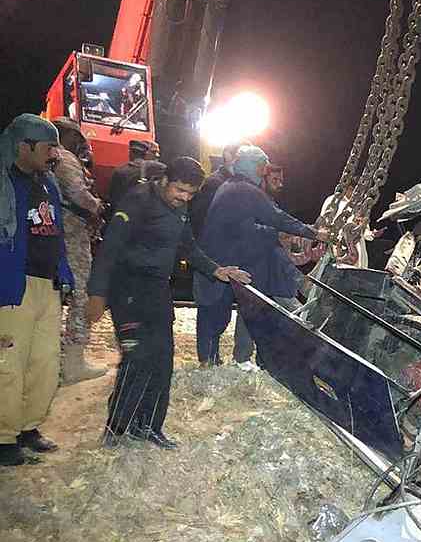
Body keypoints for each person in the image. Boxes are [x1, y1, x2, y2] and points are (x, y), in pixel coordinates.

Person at [86, 157, 250, 448]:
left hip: (158, 290)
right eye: (180, 190)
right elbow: (109, 248)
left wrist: (216, 269)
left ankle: (149, 425)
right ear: (165, 180)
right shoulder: (137, 201)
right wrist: (97, 293)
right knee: (137, 358)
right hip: (128, 289)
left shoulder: (180, 208)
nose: (184, 198)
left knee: (162, 360)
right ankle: (118, 429)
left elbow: (187, 245)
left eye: (190, 193)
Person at [195, 146, 330, 366]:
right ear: (255, 167)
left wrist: (278, 234)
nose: (263, 173)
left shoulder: (230, 187)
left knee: (221, 311)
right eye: (262, 168)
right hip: (223, 261)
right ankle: (209, 362)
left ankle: (212, 360)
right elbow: (277, 218)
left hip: (227, 258)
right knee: (215, 312)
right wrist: (313, 232)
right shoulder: (245, 191)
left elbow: (245, 227)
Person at [0, 114, 71, 466]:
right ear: (24, 146)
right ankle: (3, 437)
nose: (55, 153)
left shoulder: (48, 182)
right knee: (9, 363)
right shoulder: (4, 181)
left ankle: (28, 426)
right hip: (12, 286)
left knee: (44, 362)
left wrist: (65, 271)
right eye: (49, 147)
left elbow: (54, 230)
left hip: (47, 284)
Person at [50, 118, 108, 384]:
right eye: (77, 137)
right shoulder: (65, 159)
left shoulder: (51, 158)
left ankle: (52, 358)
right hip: (71, 238)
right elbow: (77, 194)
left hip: (57, 237)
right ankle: (73, 364)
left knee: (55, 297)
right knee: (81, 296)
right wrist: (97, 206)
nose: (81, 142)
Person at [319, 184, 383, 268]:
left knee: (358, 273)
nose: (357, 193)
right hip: (337, 244)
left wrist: (371, 234)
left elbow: (364, 229)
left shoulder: (361, 205)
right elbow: (323, 222)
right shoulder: (332, 200)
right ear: (349, 187)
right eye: (355, 190)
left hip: (356, 247)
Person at [189, 141, 243, 240]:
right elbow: (201, 218)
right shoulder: (215, 183)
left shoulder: (236, 182)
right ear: (228, 157)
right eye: (242, 159)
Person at [107, 139, 151, 206]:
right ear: (145, 155)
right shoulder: (154, 171)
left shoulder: (120, 171)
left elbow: (113, 197)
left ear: (131, 153)